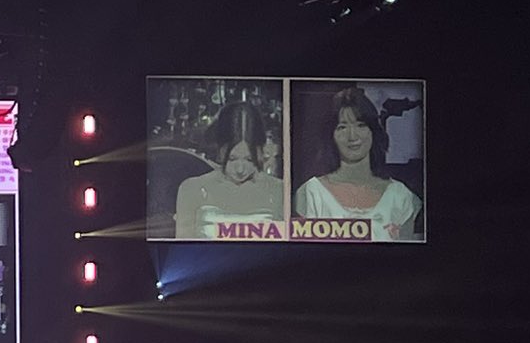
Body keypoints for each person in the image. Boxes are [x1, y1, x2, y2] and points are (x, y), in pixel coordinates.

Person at [293, 85, 423, 241]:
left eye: (361, 125)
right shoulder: (311, 193)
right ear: (331, 136)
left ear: (373, 131)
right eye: (342, 127)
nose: (352, 136)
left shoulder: (401, 197)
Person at [174, 100, 283, 240]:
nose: (240, 169)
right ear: (220, 150)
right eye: (232, 159)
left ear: (261, 151)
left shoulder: (279, 191)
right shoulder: (192, 190)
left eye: (249, 159)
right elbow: (183, 247)